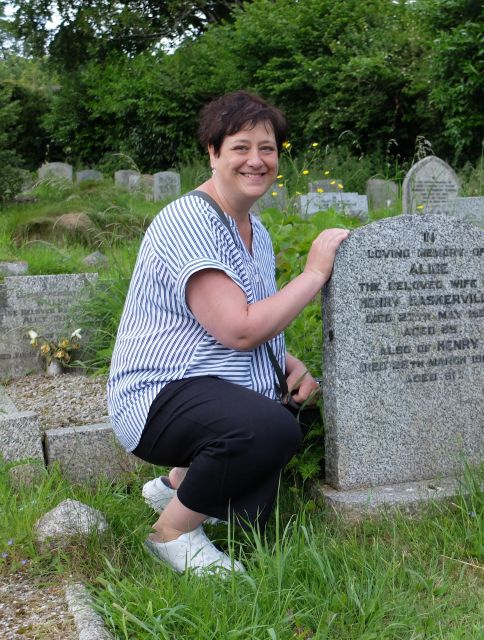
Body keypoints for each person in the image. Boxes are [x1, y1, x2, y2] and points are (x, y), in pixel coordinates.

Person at [107, 91, 349, 575]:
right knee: (267, 430)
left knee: (291, 425)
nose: (257, 161)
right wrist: (314, 274)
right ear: (213, 153)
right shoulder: (191, 220)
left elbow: (250, 317)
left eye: (268, 148)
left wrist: (287, 364)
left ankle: (177, 484)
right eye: (240, 147)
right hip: (158, 394)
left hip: (210, 387)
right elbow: (238, 330)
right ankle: (172, 531)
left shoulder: (254, 230)